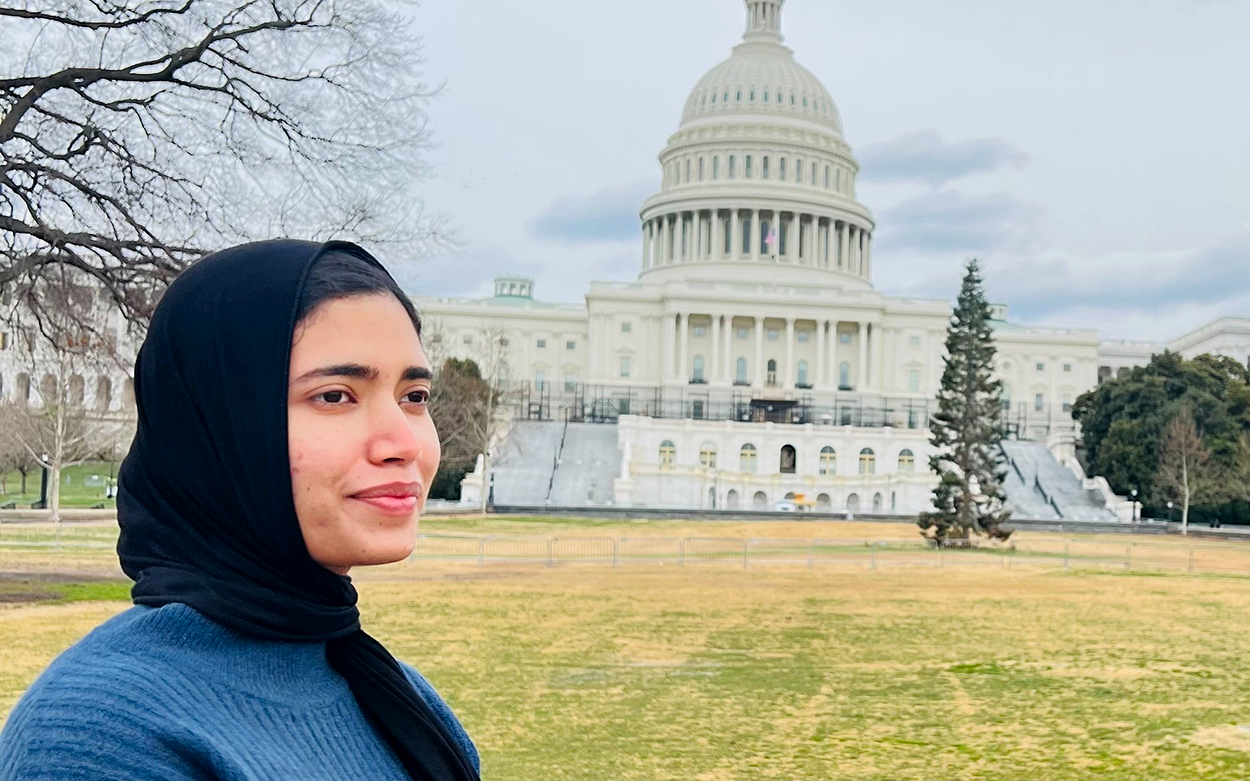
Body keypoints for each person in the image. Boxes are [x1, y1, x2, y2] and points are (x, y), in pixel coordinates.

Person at [0, 240, 481, 780]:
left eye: (413, 396)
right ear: (213, 427)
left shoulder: (397, 698)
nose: (404, 442)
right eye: (335, 396)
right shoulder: (99, 735)